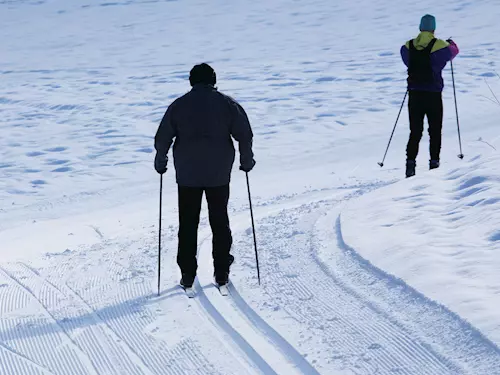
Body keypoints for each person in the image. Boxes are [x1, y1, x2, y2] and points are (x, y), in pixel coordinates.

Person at [154, 63, 255, 289]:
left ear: (191, 81)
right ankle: (221, 271)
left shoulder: (179, 106)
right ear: (213, 80)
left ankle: (188, 273)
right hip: (218, 174)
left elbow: (163, 138)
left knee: (188, 223)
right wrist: (246, 161)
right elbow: (244, 135)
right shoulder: (228, 104)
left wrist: (161, 161)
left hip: (188, 175)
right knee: (219, 220)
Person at [401, 14, 459, 178]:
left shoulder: (408, 46)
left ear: (420, 28)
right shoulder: (440, 45)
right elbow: (453, 51)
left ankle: (410, 165)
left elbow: (406, 58)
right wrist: (451, 43)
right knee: (435, 130)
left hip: (414, 94)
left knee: (415, 131)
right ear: (433, 28)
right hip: (433, 94)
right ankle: (434, 163)